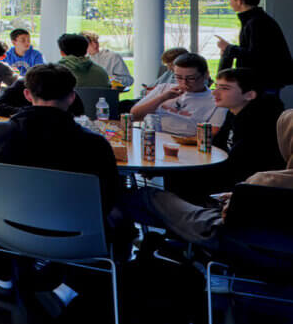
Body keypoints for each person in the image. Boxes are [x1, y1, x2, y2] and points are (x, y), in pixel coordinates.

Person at [0, 64, 120, 315]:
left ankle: (2, 275)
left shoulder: (0, 133)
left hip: (10, 228)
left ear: (27, 94)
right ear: (72, 97)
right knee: (119, 215)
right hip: (75, 236)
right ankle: (67, 289)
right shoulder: (94, 143)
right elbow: (108, 197)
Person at [123, 108, 293, 250]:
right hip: (281, 253)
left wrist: (233, 201)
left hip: (229, 237)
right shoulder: (269, 182)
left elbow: (232, 218)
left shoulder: (266, 181)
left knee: (145, 197)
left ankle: (119, 248)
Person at [169, 68, 287, 200]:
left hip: (249, 186)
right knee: (176, 173)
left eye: (224, 88)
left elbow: (239, 165)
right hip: (231, 175)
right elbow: (217, 146)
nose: (214, 93)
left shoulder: (261, 123)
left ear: (249, 95)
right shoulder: (234, 112)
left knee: (178, 179)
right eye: (216, 86)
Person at [217, 0, 293, 93]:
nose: (229, 2)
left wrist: (229, 48)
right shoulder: (257, 20)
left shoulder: (257, 22)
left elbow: (257, 56)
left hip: (264, 83)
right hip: (262, 81)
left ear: (239, 1)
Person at [129, 51, 224, 136]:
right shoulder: (164, 88)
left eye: (191, 78)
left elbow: (212, 133)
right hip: (154, 138)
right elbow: (134, 116)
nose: (184, 82)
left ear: (206, 75)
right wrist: (162, 98)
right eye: (178, 77)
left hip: (188, 143)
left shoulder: (216, 99)